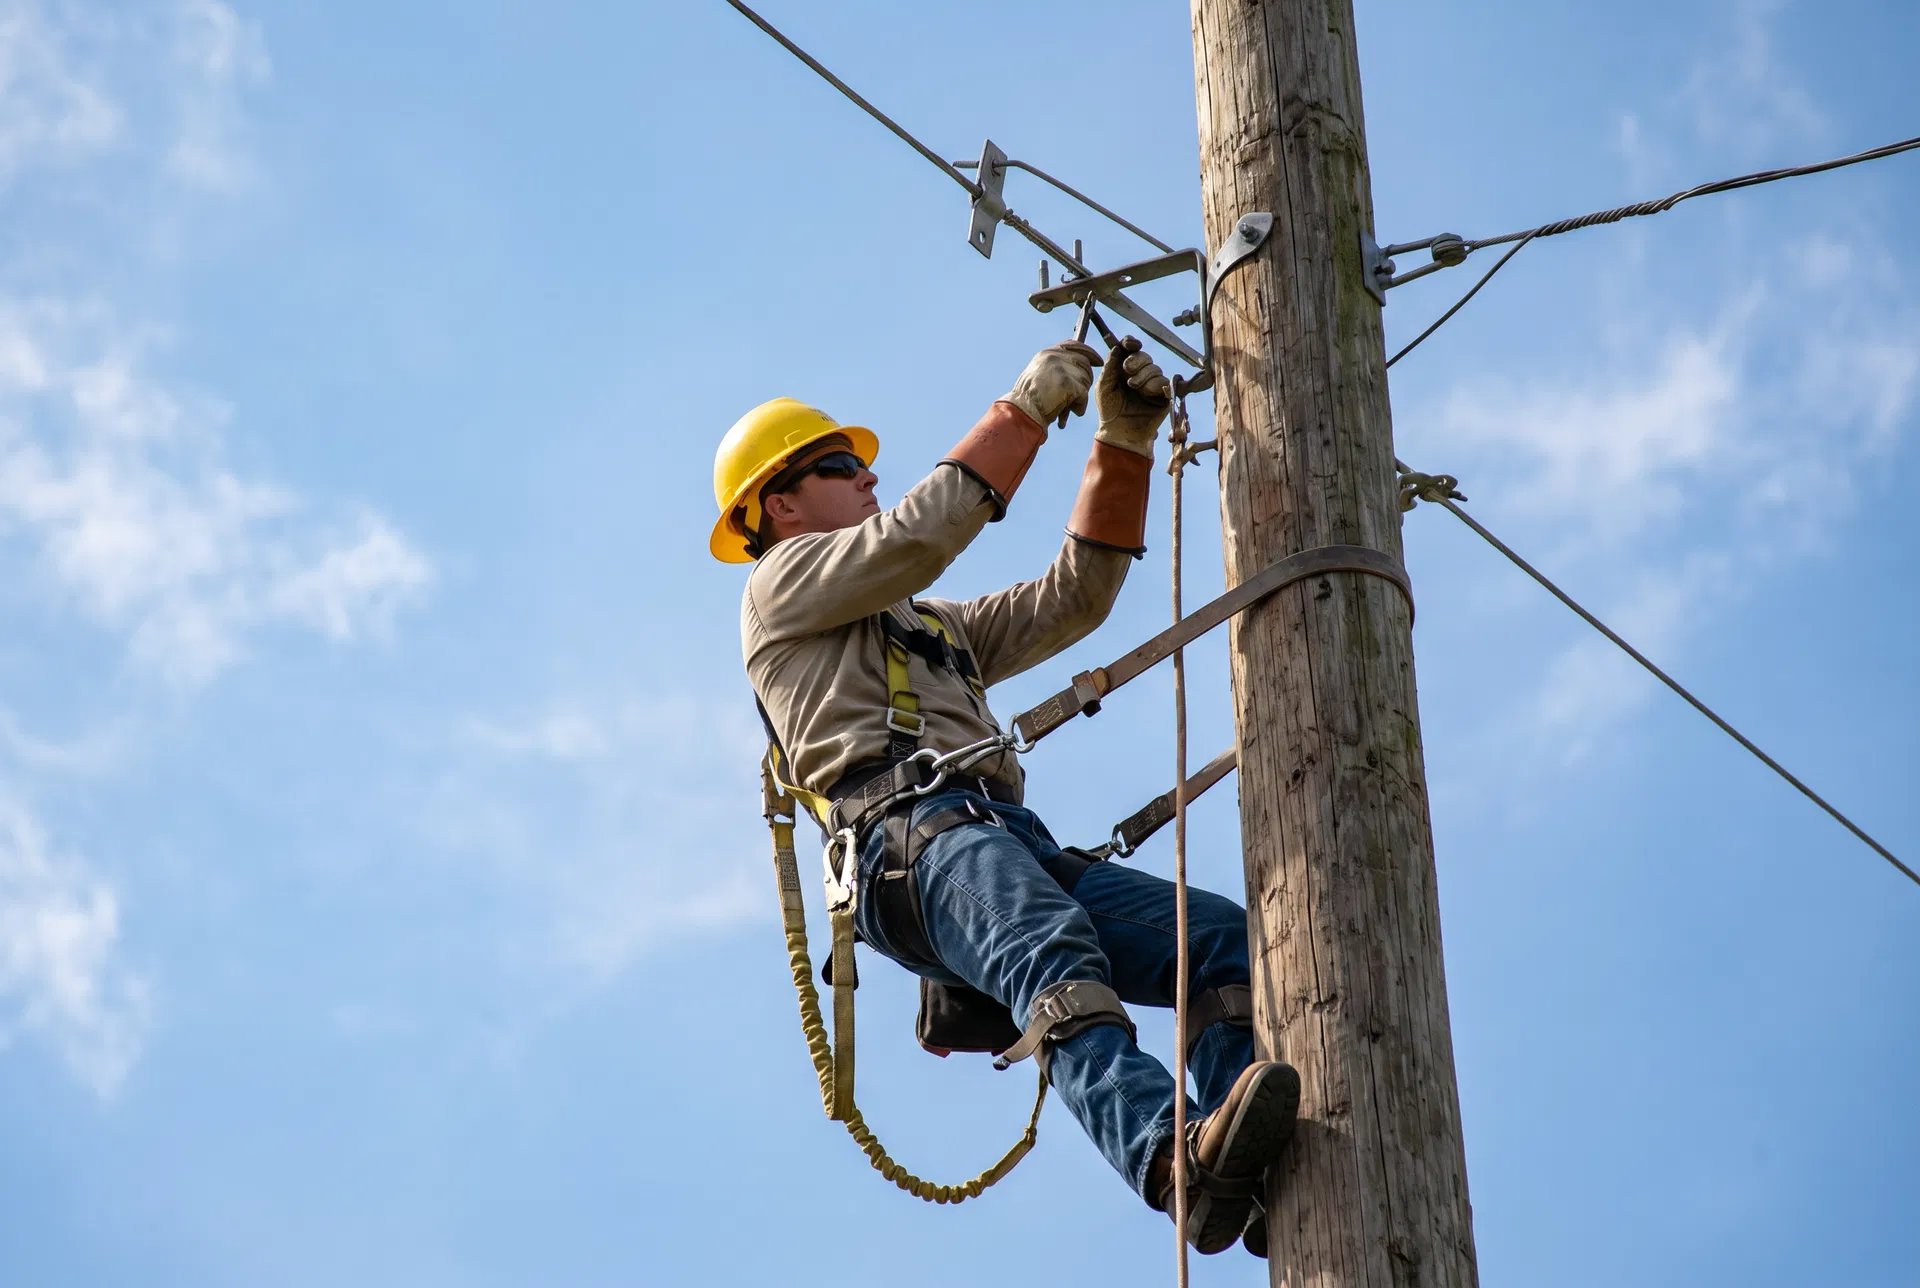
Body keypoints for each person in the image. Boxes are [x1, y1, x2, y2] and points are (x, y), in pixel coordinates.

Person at [711, 336, 1298, 1255]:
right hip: (907, 843)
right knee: (1049, 951)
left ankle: (1243, 1159)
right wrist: (1020, 411)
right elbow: (916, 536)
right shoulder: (778, 589)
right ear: (780, 504)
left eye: (865, 466)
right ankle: (1169, 1156)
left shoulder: (923, 625)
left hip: (1001, 838)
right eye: (840, 467)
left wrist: (1123, 442)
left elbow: (1074, 598)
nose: (868, 479)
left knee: (1216, 941)